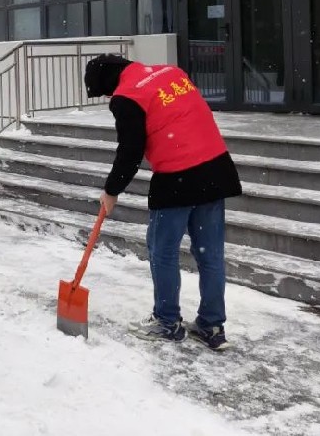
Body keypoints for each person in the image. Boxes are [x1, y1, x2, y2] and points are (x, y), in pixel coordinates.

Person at [84, 54, 242, 351]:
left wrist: (111, 190)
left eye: (105, 92)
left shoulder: (127, 96)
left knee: (163, 251)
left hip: (177, 178)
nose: (109, 97)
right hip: (215, 168)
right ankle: (212, 324)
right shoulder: (172, 73)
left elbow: (130, 151)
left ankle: (167, 322)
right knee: (209, 254)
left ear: (108, 82)